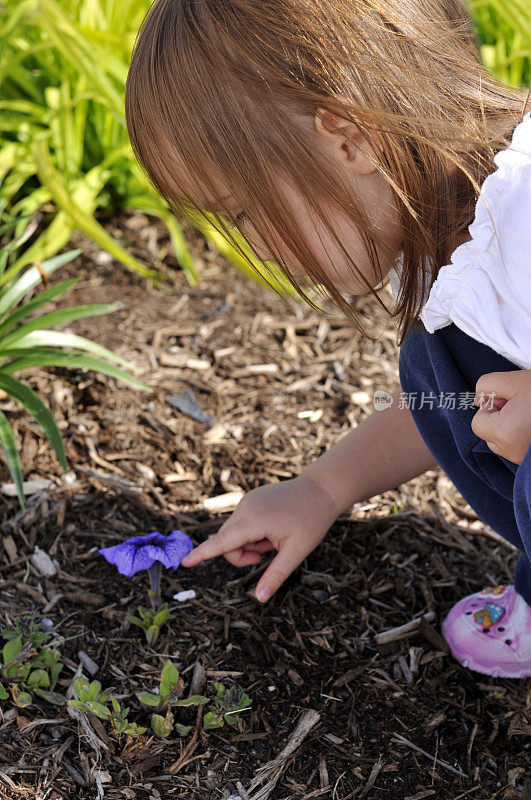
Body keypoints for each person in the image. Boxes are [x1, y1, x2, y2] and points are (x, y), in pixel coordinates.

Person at [124, 0, 531, 678]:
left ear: (350, 138)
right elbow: (454, 404)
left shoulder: (520, 221)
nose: (248, 248)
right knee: (440, 363)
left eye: (244, 213)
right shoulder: (451, 231)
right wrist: (320, 488)